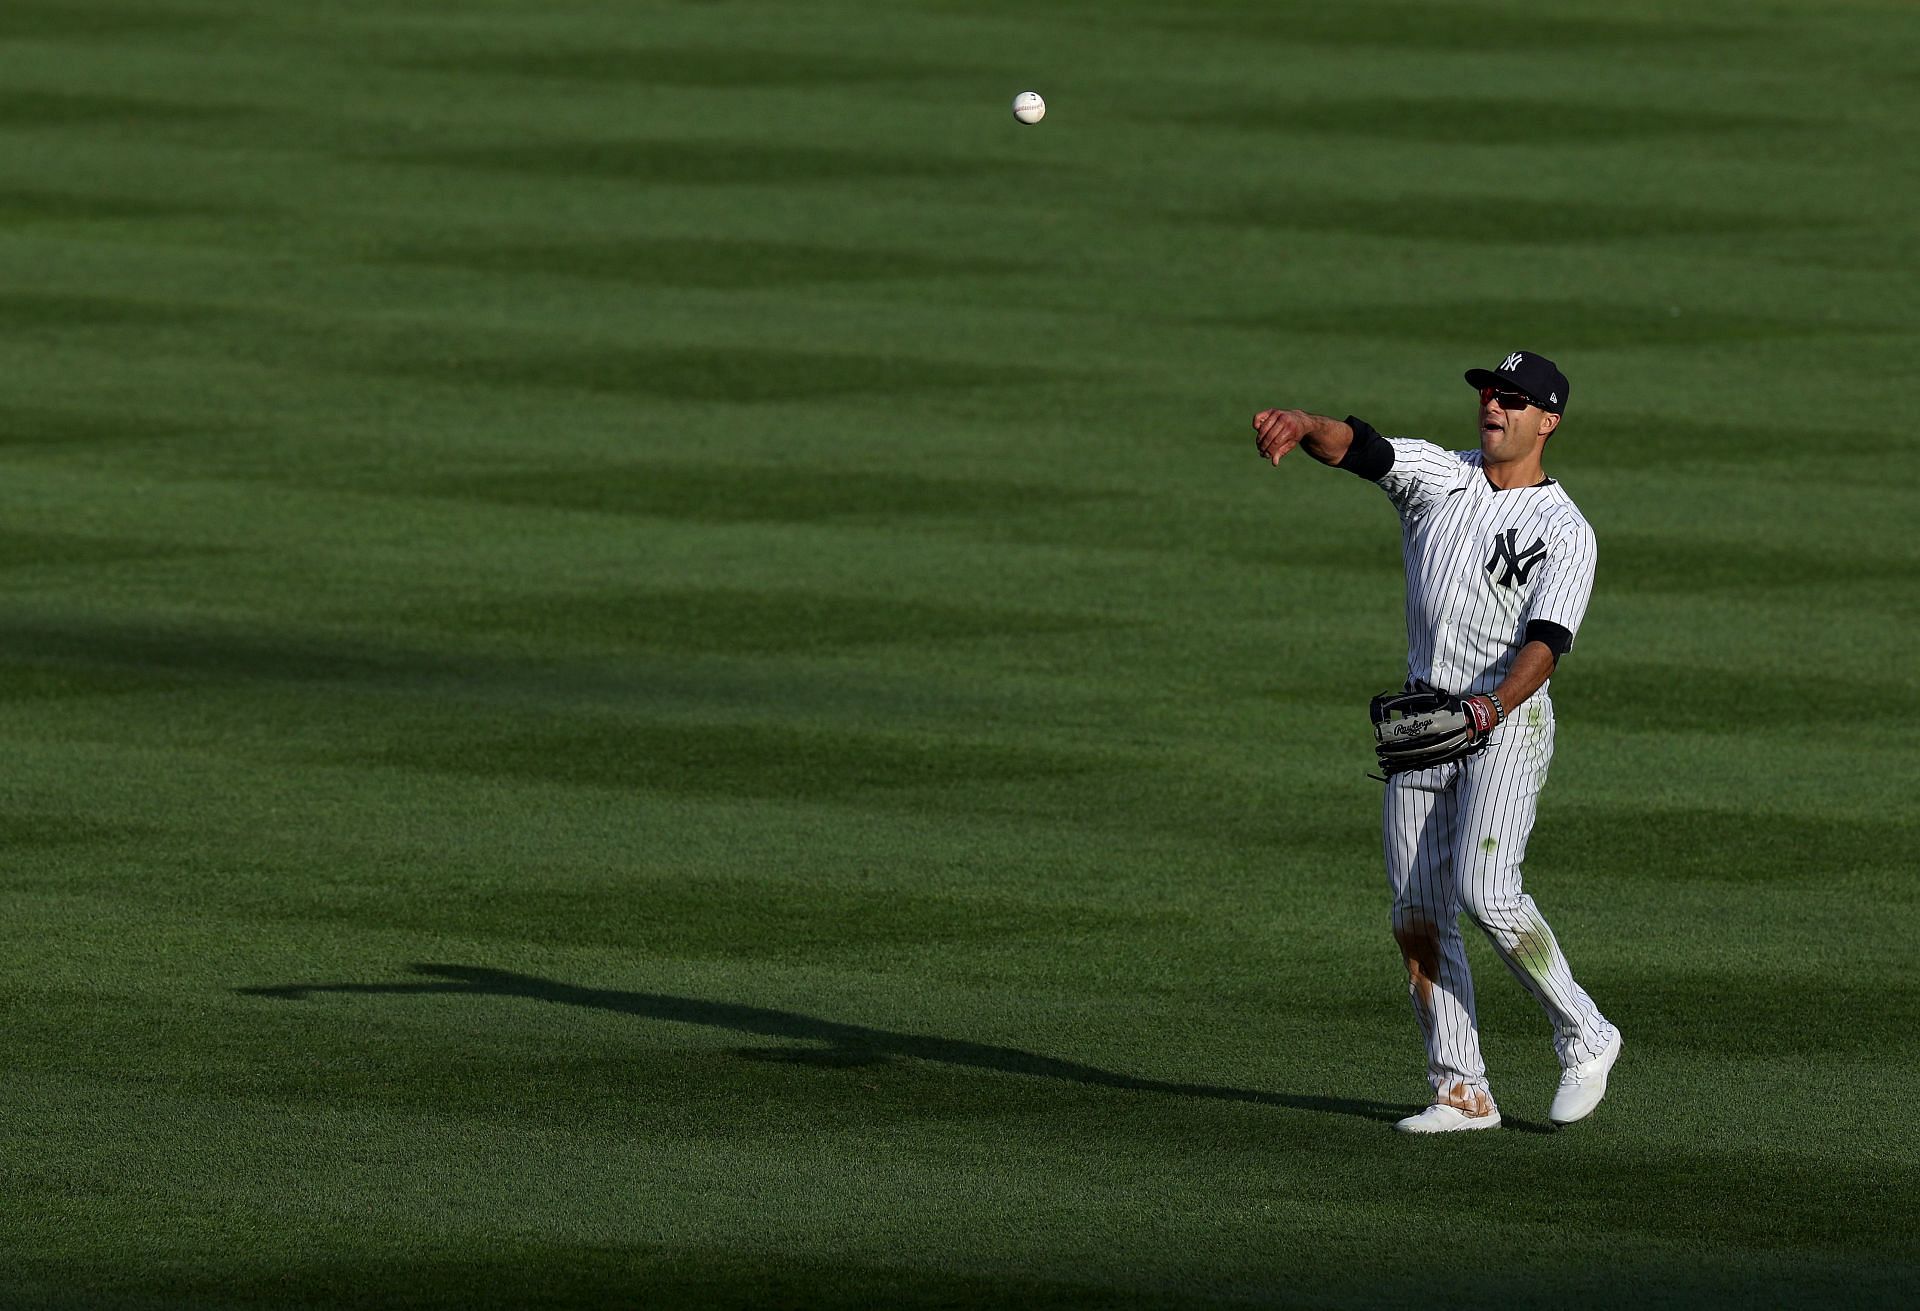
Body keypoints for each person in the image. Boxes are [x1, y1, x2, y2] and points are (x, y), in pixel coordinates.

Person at [1251, 350, 1621, 1133]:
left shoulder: (1566, 530)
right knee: (1416, 912)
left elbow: (1547, 646)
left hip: (1507, 727)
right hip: (1426, 724)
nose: (1493, 404)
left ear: (1546, 420)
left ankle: (1586, 1032)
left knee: (1486, 892)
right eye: (1490, 391)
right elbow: (1360, 446)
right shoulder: (1440, 477)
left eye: (1513, 398)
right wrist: (1304, 423)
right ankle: (1462, 1088)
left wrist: (1488, 710)